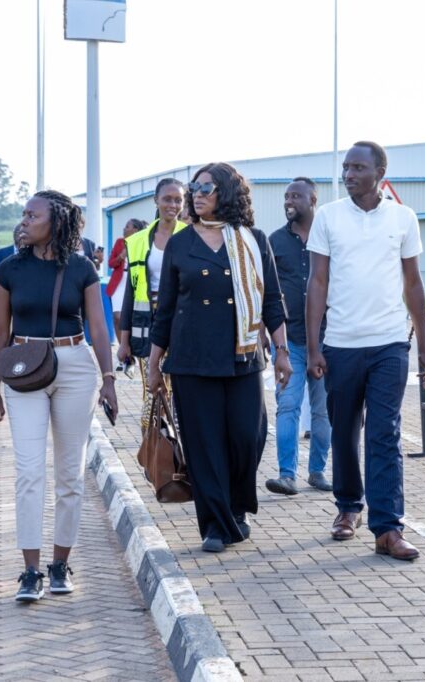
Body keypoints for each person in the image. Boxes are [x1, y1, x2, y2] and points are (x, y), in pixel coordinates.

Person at [148, 162, 291, 553]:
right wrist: (154, 363)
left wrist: (281, 351)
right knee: (204, 443)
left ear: (225, 193)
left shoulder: (253, 240)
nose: (196, 194)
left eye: (206, 188)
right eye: (194, 188)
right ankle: (215, 524)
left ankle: (236, 508)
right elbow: (166, 309)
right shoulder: (180, 243)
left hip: (242, 357)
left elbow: (271, 300)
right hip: (192, 359)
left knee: (247, 437)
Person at [306, 141, 425, 561]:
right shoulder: (328, 217)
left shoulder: (403, 218)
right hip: (341, 344)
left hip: (389, 344)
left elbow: (412, 283)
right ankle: (348, 506)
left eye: (358, 167)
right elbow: (317, 282)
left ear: (379, 172)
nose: (349, 174)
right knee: (344, 431)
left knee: (384, 433)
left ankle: (388, 529)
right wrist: (314, 347)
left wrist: (424, 346)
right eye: (346, 167)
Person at [0, 189, 119, 602]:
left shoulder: (81, 268)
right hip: (24, 369)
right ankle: (30, 571)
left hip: (75, 366)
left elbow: (98, 327)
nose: (24, 221)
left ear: (56, 222)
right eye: (24, 214)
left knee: (70, 473)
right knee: (29, 472)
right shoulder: (10, 268)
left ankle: (60, 564)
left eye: (33, 215)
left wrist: (109, 378)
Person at [266, 177, 332, 495]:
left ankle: (317, 471)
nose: (289, 201)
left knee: (323, 411)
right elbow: (265, 290)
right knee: (288, 405)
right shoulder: (274, 242)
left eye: (296, 196)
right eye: (286, 196)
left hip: (327, 340)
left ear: (313, 200)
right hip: (288, 340)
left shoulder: (329, 237)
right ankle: (287, 475)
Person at [117, 179, 187, 426]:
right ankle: (152, 444)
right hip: (148, 323)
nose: (173, 205)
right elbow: (130, 294)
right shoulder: (137, 241)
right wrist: (124, 342)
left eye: (178, 200)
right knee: (153, 389)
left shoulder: (191, 236)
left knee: (180, 392)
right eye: (167, 199)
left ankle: (178, 444)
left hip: (181, 322)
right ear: (156, 200)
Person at [107, 218, 146, 332]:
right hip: (119, 282)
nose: (124, 229)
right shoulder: (119, 242)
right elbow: (110, 264)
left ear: (135, 230)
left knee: (132, 317)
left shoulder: (143, 243)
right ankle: (121, 344)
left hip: (135, 281)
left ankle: (130, 341)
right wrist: (121, 256)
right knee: (117, 317)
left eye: (127, 226)